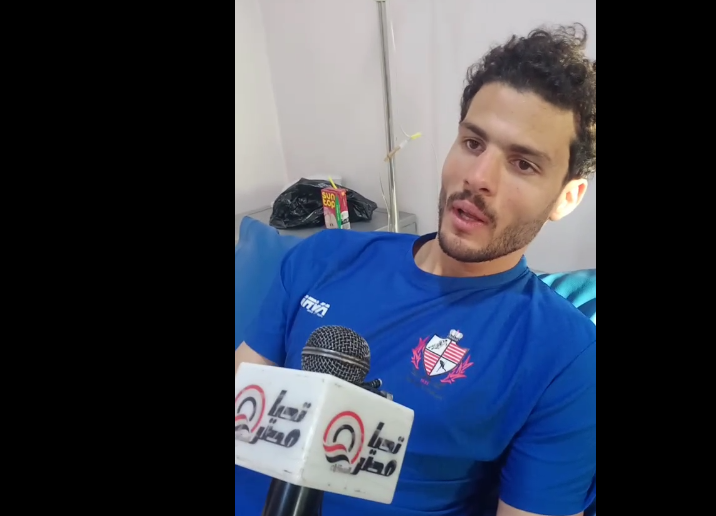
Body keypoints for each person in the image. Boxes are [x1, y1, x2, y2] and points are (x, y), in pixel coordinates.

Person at [236, 23, 597, 516]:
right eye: (473, 143)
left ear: (567, 198)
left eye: (523, 164)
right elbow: (244, 401)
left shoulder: (565, 355)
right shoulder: (324, 255)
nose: (478, 177)